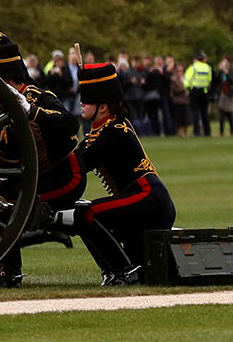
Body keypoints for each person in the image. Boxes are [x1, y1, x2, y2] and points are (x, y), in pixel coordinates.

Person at [52, 62, 176, 282]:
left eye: (87, 99)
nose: (81, 103)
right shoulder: (102, 130)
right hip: (142, 200)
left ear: (103, 106)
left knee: (85, 214)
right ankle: (115, 271)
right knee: (83, 214)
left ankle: (122, 271)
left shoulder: (113, 132)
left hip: (149, 198)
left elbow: (79, 164)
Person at [0, 43, 84, 288]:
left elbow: (69, 123)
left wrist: (31, 110)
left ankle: (11, 274)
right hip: (34, 175)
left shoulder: (38, 97)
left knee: (3, 207)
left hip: (65, 175)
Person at [184, 51, 212, 137]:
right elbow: (209, 80)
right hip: (204, 92)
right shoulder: (208, 67)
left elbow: (186, 80)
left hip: (195, 92)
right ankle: (207, 132)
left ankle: (196, 132)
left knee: (195, 112)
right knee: (204, 113)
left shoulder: (193, 67)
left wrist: (188, 88)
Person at [214, 57, 233, 136]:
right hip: (222, 95)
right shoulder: (220, 73)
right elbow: (215, 81)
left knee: (230, 115)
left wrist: (227, 73)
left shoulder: (231, 72)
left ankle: (232, 131)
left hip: (230, 95)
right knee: (222, 115)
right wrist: (220, 70)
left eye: (226, 63)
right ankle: (221, 132)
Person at [169, 62, 190, 138]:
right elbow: (174, 90)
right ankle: (178, 132)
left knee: (186, 118)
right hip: (178, 100)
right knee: (178, 118)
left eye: (181, 70)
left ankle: (185, 132)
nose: (180, 72)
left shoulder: (186, 78)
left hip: (185, 100)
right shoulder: (173, 79)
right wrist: (183, 90)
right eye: (179, 71)